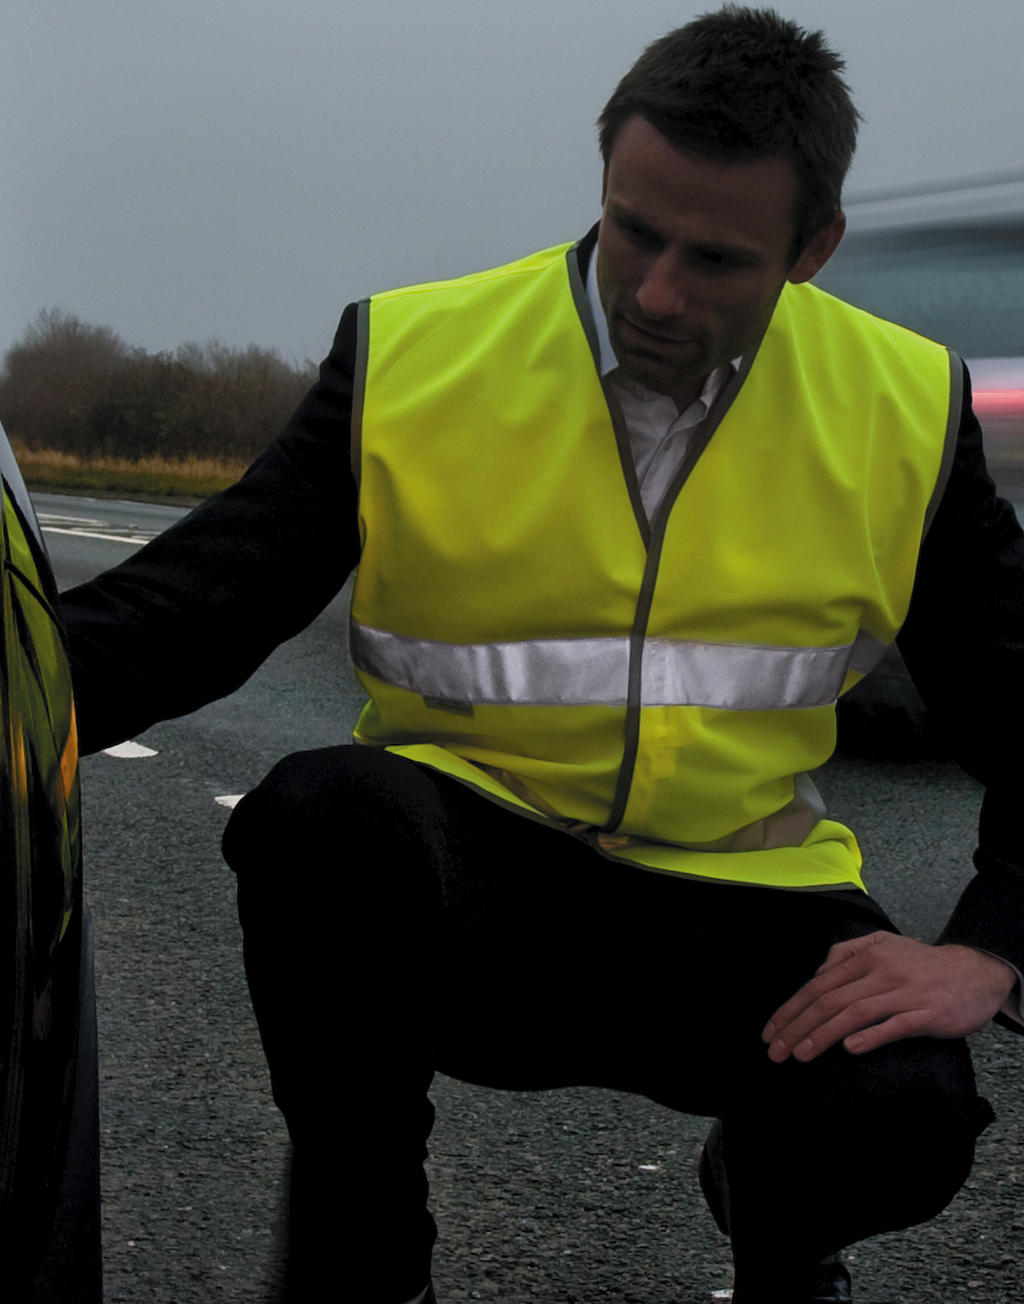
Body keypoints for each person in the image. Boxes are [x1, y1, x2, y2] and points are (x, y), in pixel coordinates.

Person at [58, 6, 1024, 1302]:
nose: (659, 293)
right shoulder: (411, 356)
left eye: (716, 259)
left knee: (906, 1103)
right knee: (318, 820)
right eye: (634, 231)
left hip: (743, 909)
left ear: (814, 249)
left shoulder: (905, 406)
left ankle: (782, 1220)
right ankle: (366, 1261)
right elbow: (186, 612)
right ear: (605, 179)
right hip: (475, 893)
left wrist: (988, 949)